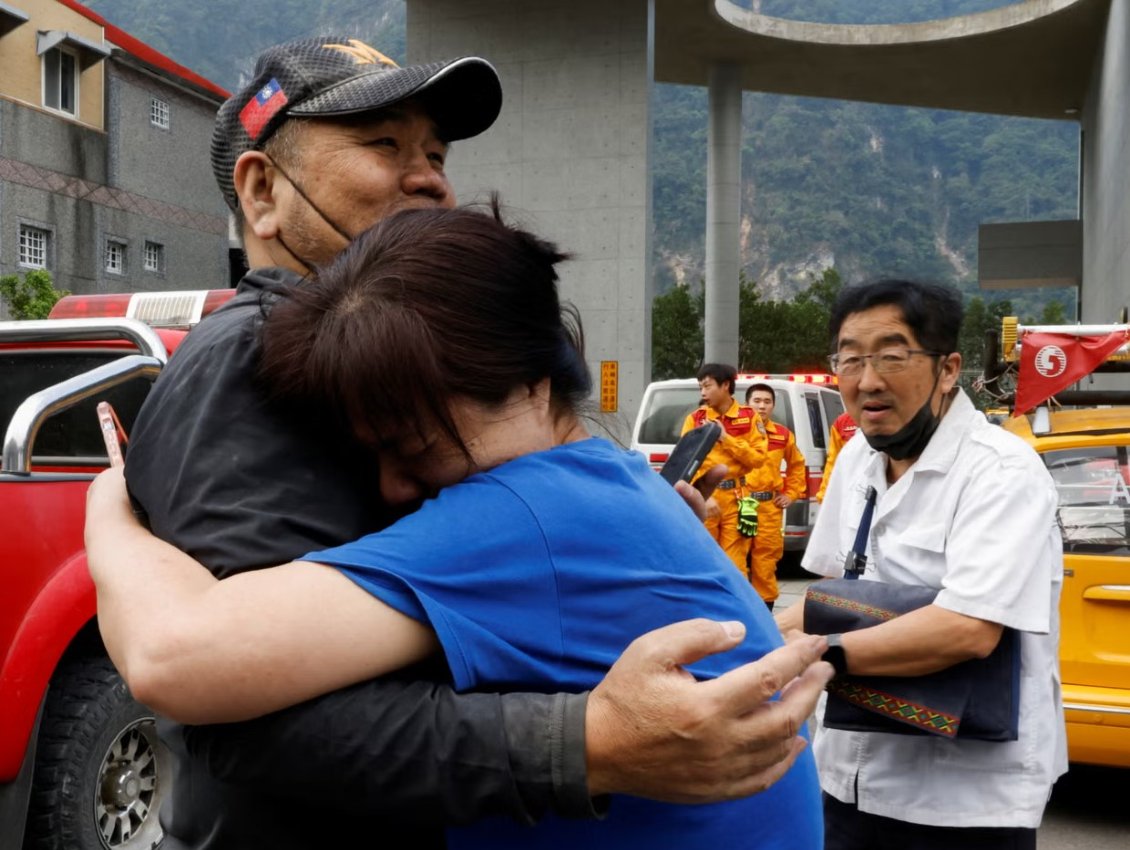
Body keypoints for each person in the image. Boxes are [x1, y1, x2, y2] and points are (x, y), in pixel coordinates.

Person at [117, 36, 832, 848]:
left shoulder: (529, 506)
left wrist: (109, 522)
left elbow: (183, 657)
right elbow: (242, 710)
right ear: (263, 190)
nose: (429, 176)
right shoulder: (254, 353)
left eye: (435, 151)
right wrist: (586, 741)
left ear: (523, 372)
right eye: (384, 143)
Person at [777, 279, 1066, 849]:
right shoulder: (859, 457)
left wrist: (812, 657)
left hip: (963, 800)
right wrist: (745, 634)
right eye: (851, 360)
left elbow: (968, 629)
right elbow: (833, 595)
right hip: (846, 776)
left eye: (891, 356)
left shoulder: (1002, 471)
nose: (867, 381)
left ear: (948, 369)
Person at [681, 364, 768, 573]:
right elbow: (685, 461)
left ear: (725, 385)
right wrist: (703, 495)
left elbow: (758, 458)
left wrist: (726, 439)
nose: (703, 392)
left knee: (735, 566)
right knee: (702, 561)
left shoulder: (749, 417)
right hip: (704, 498)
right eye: (700, 387)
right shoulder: (695, 419)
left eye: (708, 386)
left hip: (738, 499)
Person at [743, 383, 806, 609]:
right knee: (735, 557)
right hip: (741, 504)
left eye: (767, 402)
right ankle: (737, 607)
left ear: (773, 406)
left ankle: (765, 612)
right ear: (747, 404)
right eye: (757, 401)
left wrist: (791, 493)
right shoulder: (735, 432)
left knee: (766, 560)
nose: (761, 406)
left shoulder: (781, 434)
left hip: (769, 506)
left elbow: (797, 465)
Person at [814, 411, 856, 503]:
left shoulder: (890, 417)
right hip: (852, 494)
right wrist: (824, 495)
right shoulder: (841, 423)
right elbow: (833, 462)